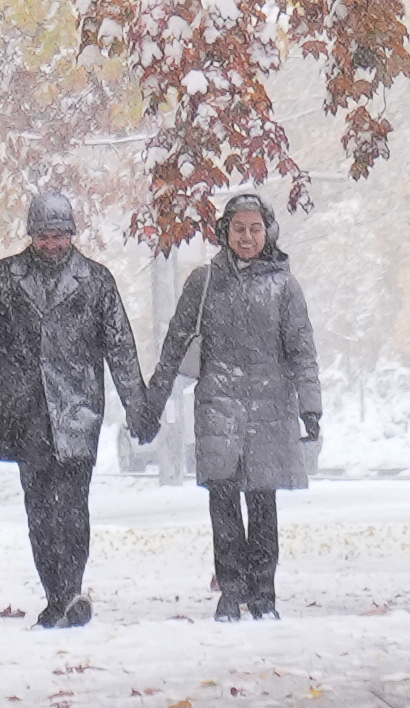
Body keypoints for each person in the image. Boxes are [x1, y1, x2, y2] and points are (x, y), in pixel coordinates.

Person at [0, 190, 155, 628]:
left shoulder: (95, 280)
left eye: (58, 235)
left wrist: (138, 407)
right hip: (25, 411)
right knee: (39, 511)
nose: (50, 244)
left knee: (73, 508)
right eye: (43, 236)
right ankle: (57, 594)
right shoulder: (5, 277)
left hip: (77, 409)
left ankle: (69, 592)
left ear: (72, 234)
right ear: (31, 235)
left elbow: (121, 347)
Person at [146, 193, 321, 623]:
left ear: (268, 232)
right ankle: (231, 591)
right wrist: (152, 400)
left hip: (271, 408)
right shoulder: (203, 282)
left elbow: (302, 350)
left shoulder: (284, 285)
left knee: (263, 505)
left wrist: (311, 407)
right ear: (225, 232)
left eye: (255, 228)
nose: (247, 237)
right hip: (218, 407)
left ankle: (264, 594)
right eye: (239, 228)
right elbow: (175, 344)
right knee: (222, 505)